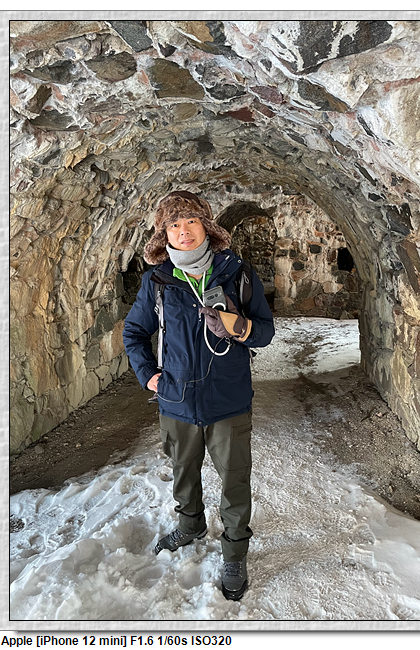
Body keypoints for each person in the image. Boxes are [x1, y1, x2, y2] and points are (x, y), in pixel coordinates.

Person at [122, 191, 274, 600]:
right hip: (176, 400)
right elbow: (134, 332)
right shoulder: (157, 281)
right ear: (164, 234)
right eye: (174, 224)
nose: (183, 231)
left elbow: (265, 331)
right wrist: (149, 376)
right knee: (183, 472)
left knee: (235, 479)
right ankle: (190, 525)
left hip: (227, 400)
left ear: (207, 226)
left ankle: (235, 552)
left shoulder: (236, 273)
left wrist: (238, 327)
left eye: (191, 221)